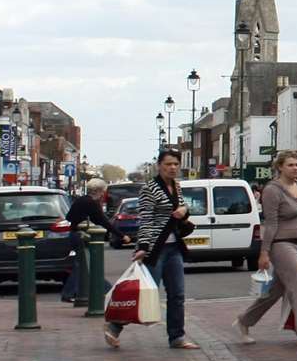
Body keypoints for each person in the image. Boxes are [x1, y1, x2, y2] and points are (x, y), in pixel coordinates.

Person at [234, 151, 297, 346]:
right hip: (280, 244)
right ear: (280, 167)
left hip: (296, 243)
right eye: (291, 165)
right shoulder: (272, 190)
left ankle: (244, 320)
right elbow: (271, 224)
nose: (296, 168)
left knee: (275, 291)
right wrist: (264, 252)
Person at [106, 149, 196, 350]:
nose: (172, 168)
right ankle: (114, 326)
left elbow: (181, 208)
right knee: (145, 292)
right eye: (168, 164)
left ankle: (177, 337)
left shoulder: (177, 186)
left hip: (174, 247)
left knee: (177, 294)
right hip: (155, 248)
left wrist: (184, 211)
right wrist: (143, 247)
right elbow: (145, 219)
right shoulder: (150, 188)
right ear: (159, 166)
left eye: (175, 164)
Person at [62, 178, 120, 303]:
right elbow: (102, 221)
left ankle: (108, 290)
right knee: (87, 265)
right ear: (99, 191)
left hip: (74, 234)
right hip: (82, 236)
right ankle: (69, 293)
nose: (104, 194)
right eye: (103, 191)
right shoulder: (92, 203)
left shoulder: (81, 200)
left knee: (87, 264)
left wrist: (81, 219)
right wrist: (120, 235)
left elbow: (69, 217)